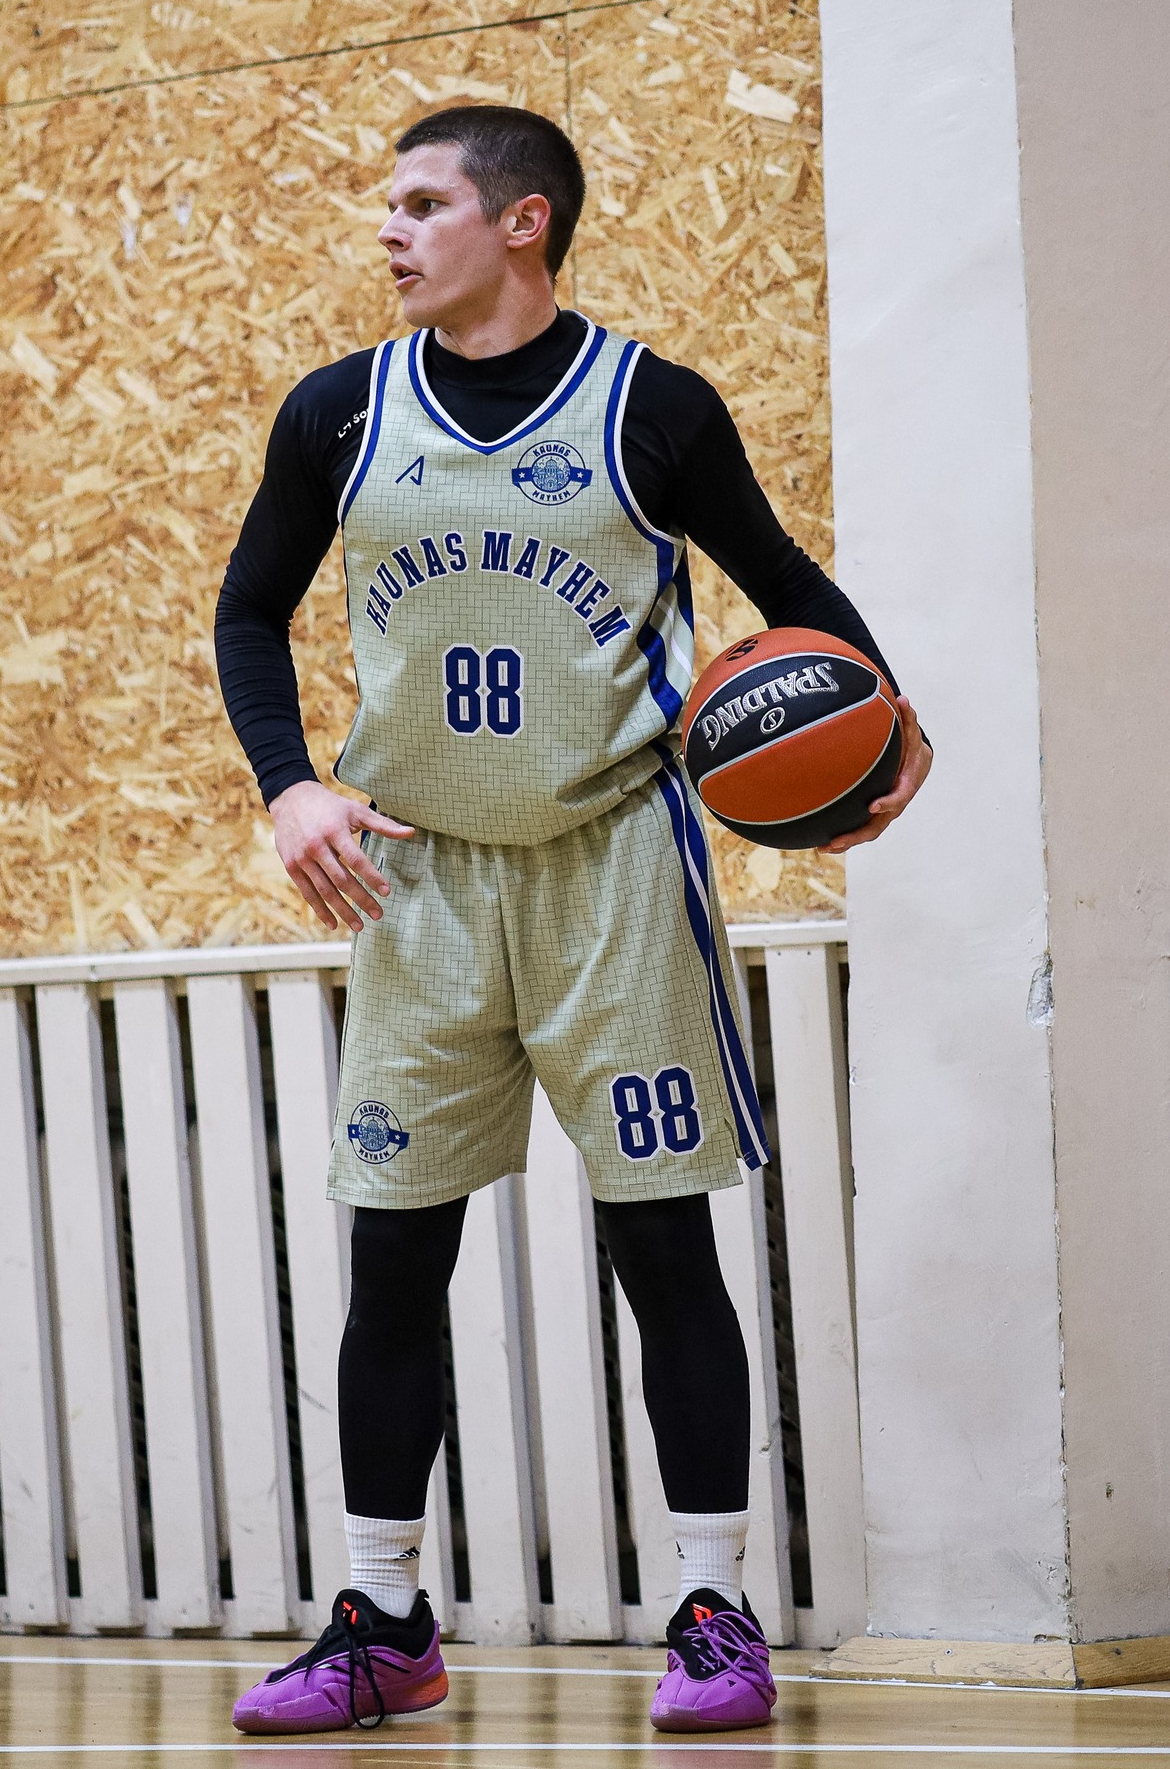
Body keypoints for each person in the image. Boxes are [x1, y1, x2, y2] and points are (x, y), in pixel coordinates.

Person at [216, 105, 931, 1736]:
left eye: (421, 203)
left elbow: (786, 588)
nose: (389, 229)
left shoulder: (651, 406)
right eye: (390, 205)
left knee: (661, 1245)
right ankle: (382, 1624)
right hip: (416, 878)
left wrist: (891, 725)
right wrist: (288, 787)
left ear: (521, 221)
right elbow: (249, 607)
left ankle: (712, 1611)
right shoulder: (339, 411)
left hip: (615, 870)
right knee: (391, 1257)